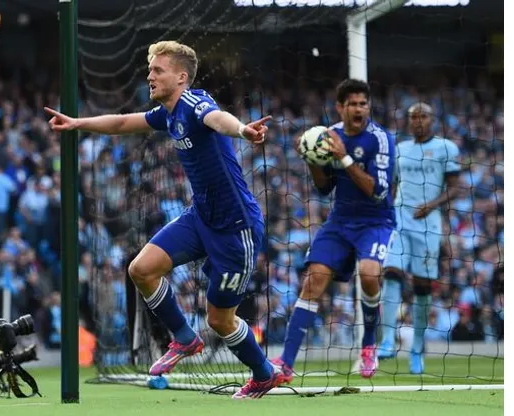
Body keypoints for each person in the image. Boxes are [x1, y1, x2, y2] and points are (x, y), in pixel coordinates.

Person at [45, 40, 286, 398]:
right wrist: (78, 122)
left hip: (236, 228)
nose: (150, 76)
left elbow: (217, 118)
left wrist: (242, 131)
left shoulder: (194, 103)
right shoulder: (167, 113)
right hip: (200, 217)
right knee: (140, 270)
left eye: (158, 70)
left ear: (181, 77)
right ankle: (185, 338)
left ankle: (264, 374)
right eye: (150, 70)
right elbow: (124, 122)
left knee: (220, 320)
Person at [271, 79, 396, 380]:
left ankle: (368, 345)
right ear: (340, 107)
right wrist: (312, 159)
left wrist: (343, 157)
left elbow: (378, 191)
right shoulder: (329, 136)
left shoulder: (380, 139)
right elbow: (324, 188)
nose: (359, 109)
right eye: (352, 104)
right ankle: (285, 363)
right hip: (340, 221)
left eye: (363, 104)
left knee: (369, 275)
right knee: (313, 281)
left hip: (376, 221)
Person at [378, 102, 461, 374]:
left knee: (422, 286)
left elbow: (455, 188)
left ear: (431, 119)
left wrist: (432, 205)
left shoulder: (446, 148)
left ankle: (416, 348)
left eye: (423, 116)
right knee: (391, 272)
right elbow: (391, 185)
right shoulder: (400, 149)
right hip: (400, 219)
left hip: (428, 224)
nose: (418, 121)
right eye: (413, 117)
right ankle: (387, 340)